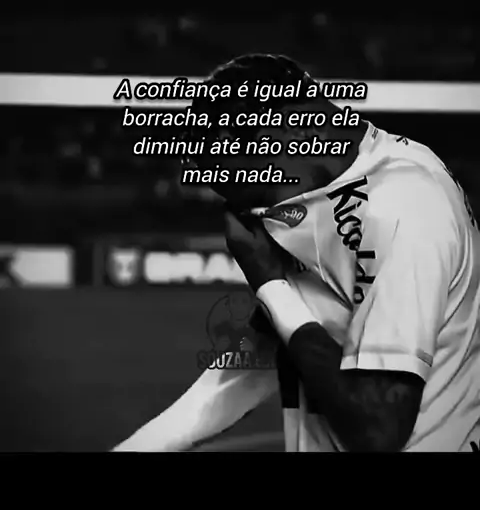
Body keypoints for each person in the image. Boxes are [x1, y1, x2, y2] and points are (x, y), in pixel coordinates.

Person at [113, 54, 480, 452]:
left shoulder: (403, 208)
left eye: (255, 191)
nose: (253, 218)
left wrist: (270, 284)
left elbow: (378, 431)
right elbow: (241, 378)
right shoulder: (318, 200)